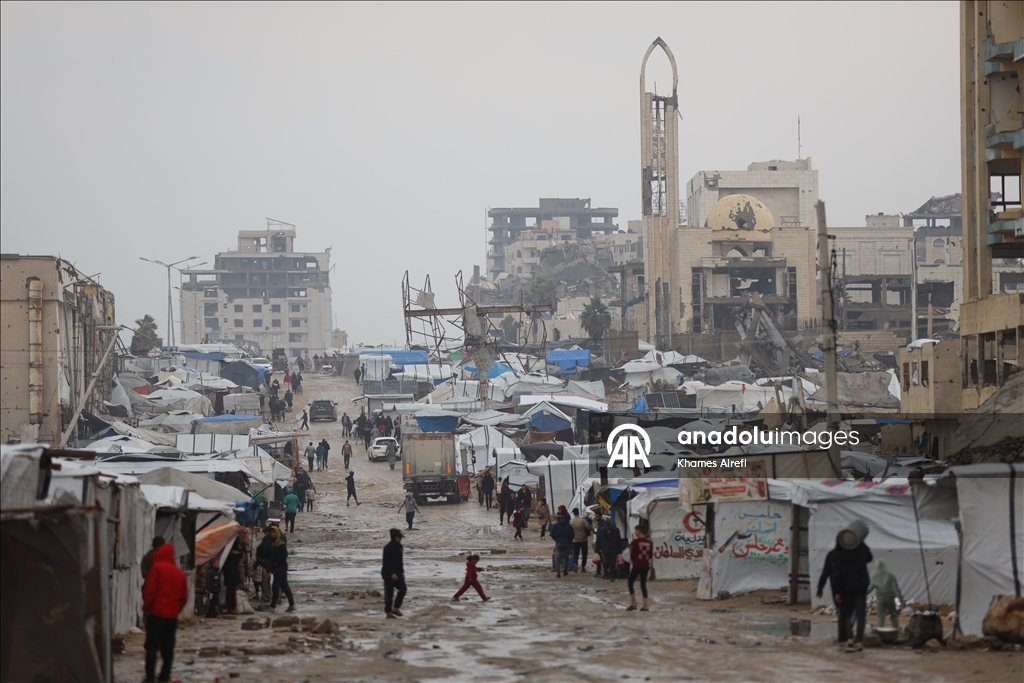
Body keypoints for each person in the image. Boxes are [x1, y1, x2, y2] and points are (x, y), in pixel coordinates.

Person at [816, 527, 873, 652]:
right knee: (860, 615)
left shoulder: (836, 555)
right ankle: (857, 641)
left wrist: (834, 591)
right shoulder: (860, 550)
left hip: (845, 590)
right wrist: (860, 541)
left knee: (843, 614)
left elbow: (834, 575)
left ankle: (844, 639)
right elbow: (870, 557)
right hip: (860, 588)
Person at [142, 542, 188, 683]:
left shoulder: (156, 569)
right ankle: (164, 676)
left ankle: (150, 678)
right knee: (168, 648)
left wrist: (147, 609)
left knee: (152, 648)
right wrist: (176, 610)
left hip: (156, 614)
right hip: (172, 616)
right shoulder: (179, 573)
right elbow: (183, 597)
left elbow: (150, 592)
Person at [868, 560, 904, 630]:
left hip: (880, 598)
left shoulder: (875, 576)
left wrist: (861, 594)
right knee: (894, 615)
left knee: (880, 616)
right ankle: (896, 631)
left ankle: (880, 632)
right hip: (890, 598)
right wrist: (900, 598)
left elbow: (869, 588)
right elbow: (895, 588)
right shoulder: (890, 576)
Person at [268, 526, 296, 612]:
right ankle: (292, 604)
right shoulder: (273, 543)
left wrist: (277, 562)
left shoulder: (280, 543)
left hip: (281, 567)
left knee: (276, 586)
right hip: (279, 567)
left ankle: (273, 606)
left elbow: (285, 555)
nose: (272, 534)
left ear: (277, 533)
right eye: (271, 533)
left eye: (274, 533)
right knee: (284, 586)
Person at [627, 525, 654, 611]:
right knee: (643, 585)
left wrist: (634, 560)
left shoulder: (635, 542)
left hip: (637, 565)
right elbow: (650, 555)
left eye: (635, 530)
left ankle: (634, 603)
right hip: (645, 565)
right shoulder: (649, 542)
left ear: (639, 531)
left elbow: (632, 554)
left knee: (630, 582)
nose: (635, 532)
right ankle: (645, 605)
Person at [382, 528, 406, 618]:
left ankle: (396, 608)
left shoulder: (400, 547)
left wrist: (402, 572)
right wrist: (391, 573)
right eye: (398, 537)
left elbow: (400, 561)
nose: (400, 539)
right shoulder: (388, 548)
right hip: (388, 573)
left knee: (403, 589)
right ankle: (388, 612)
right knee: (389, 593)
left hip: (398, 572)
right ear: (393, 537)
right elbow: (386, 563)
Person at [549, 506, 574, 578]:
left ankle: (558, 572)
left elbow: (551, 533)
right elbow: (572, 535)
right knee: (566, 557)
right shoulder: (569, 526)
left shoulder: (556, 525)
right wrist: (569, 541)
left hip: (559, 543)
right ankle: (565, 571)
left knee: (557, 558)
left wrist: (556, 539)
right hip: (567, 543)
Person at [224, 538, 244, 614]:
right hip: (234, 575)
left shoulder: (231, 555)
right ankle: (232, 607)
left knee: (230, 593)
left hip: (230, 575)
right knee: (231, 592)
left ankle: (231, 607)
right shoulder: (239, 554)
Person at [570, 508, 594, 573]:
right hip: (583, 539)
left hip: (575, 540)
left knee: (575, 553)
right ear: (578, 512)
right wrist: (593, 531)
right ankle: (583, 567)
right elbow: (589, 527)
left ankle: (575, 563)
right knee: (584, 553)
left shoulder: (571, 521)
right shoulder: (583, 520)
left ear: (574, 513)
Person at [598, 516, 622, 580]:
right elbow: (599, 540)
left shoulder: (616, 530)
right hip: (605, 549)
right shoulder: (602, 530)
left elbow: (619, 540)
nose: (607, 526)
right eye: (606, 525)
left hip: (613, 549)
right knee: (605, 562)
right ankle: (605, 573)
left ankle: (612, 575)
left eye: (608, 524)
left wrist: (620, 550)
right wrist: (597, 549)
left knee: (612, 563)